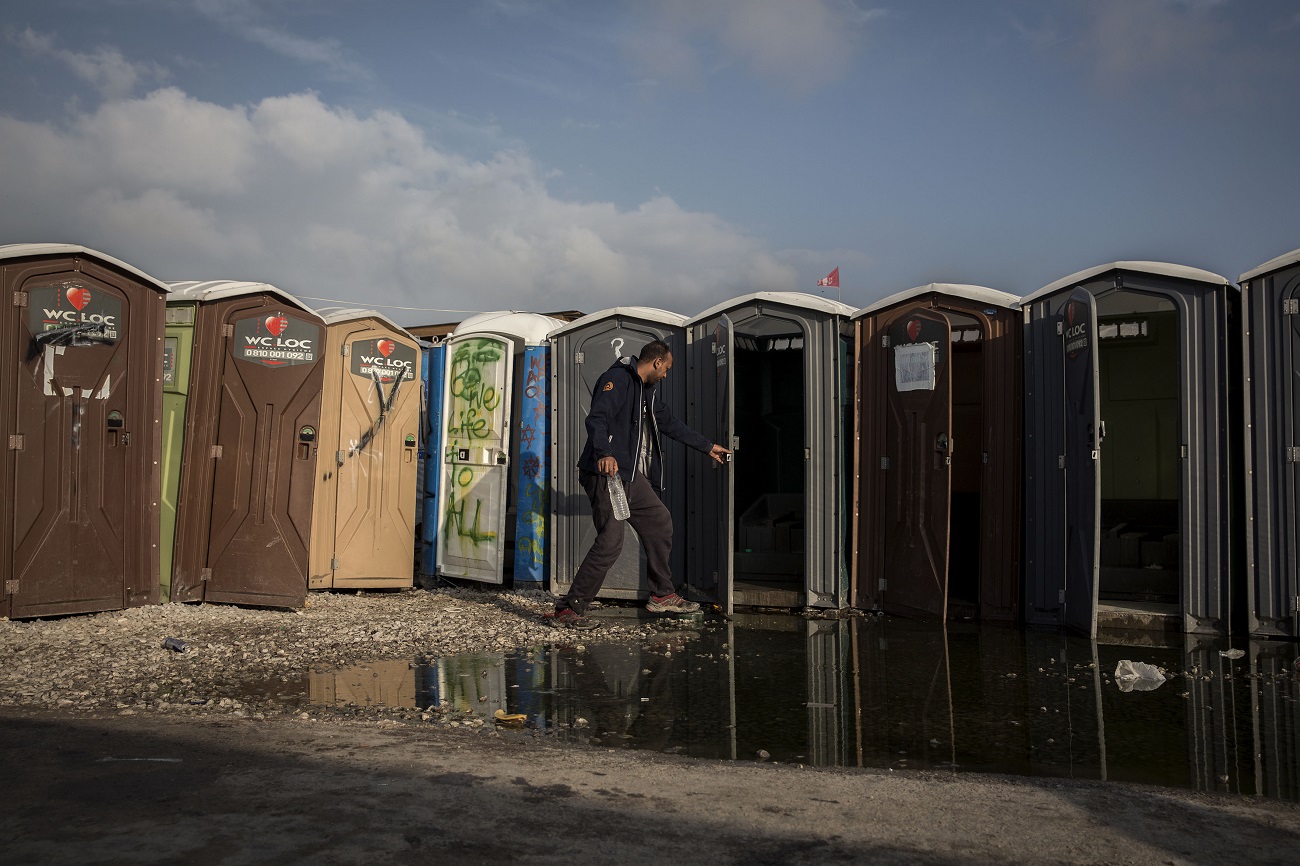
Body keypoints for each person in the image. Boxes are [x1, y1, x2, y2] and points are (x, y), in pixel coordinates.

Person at [547, 339, 730, 629]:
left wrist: (707, 446)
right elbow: (597, 419)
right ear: (657, 362)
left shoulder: (648, 393)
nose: (667, 374)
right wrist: (604, 453)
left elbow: (670, 424)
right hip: (604, 473)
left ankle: (661, 594)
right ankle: (569, 608)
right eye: (667, 368)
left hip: (629, 476)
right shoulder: (617, 380)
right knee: (611, 542)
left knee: (659, 521)